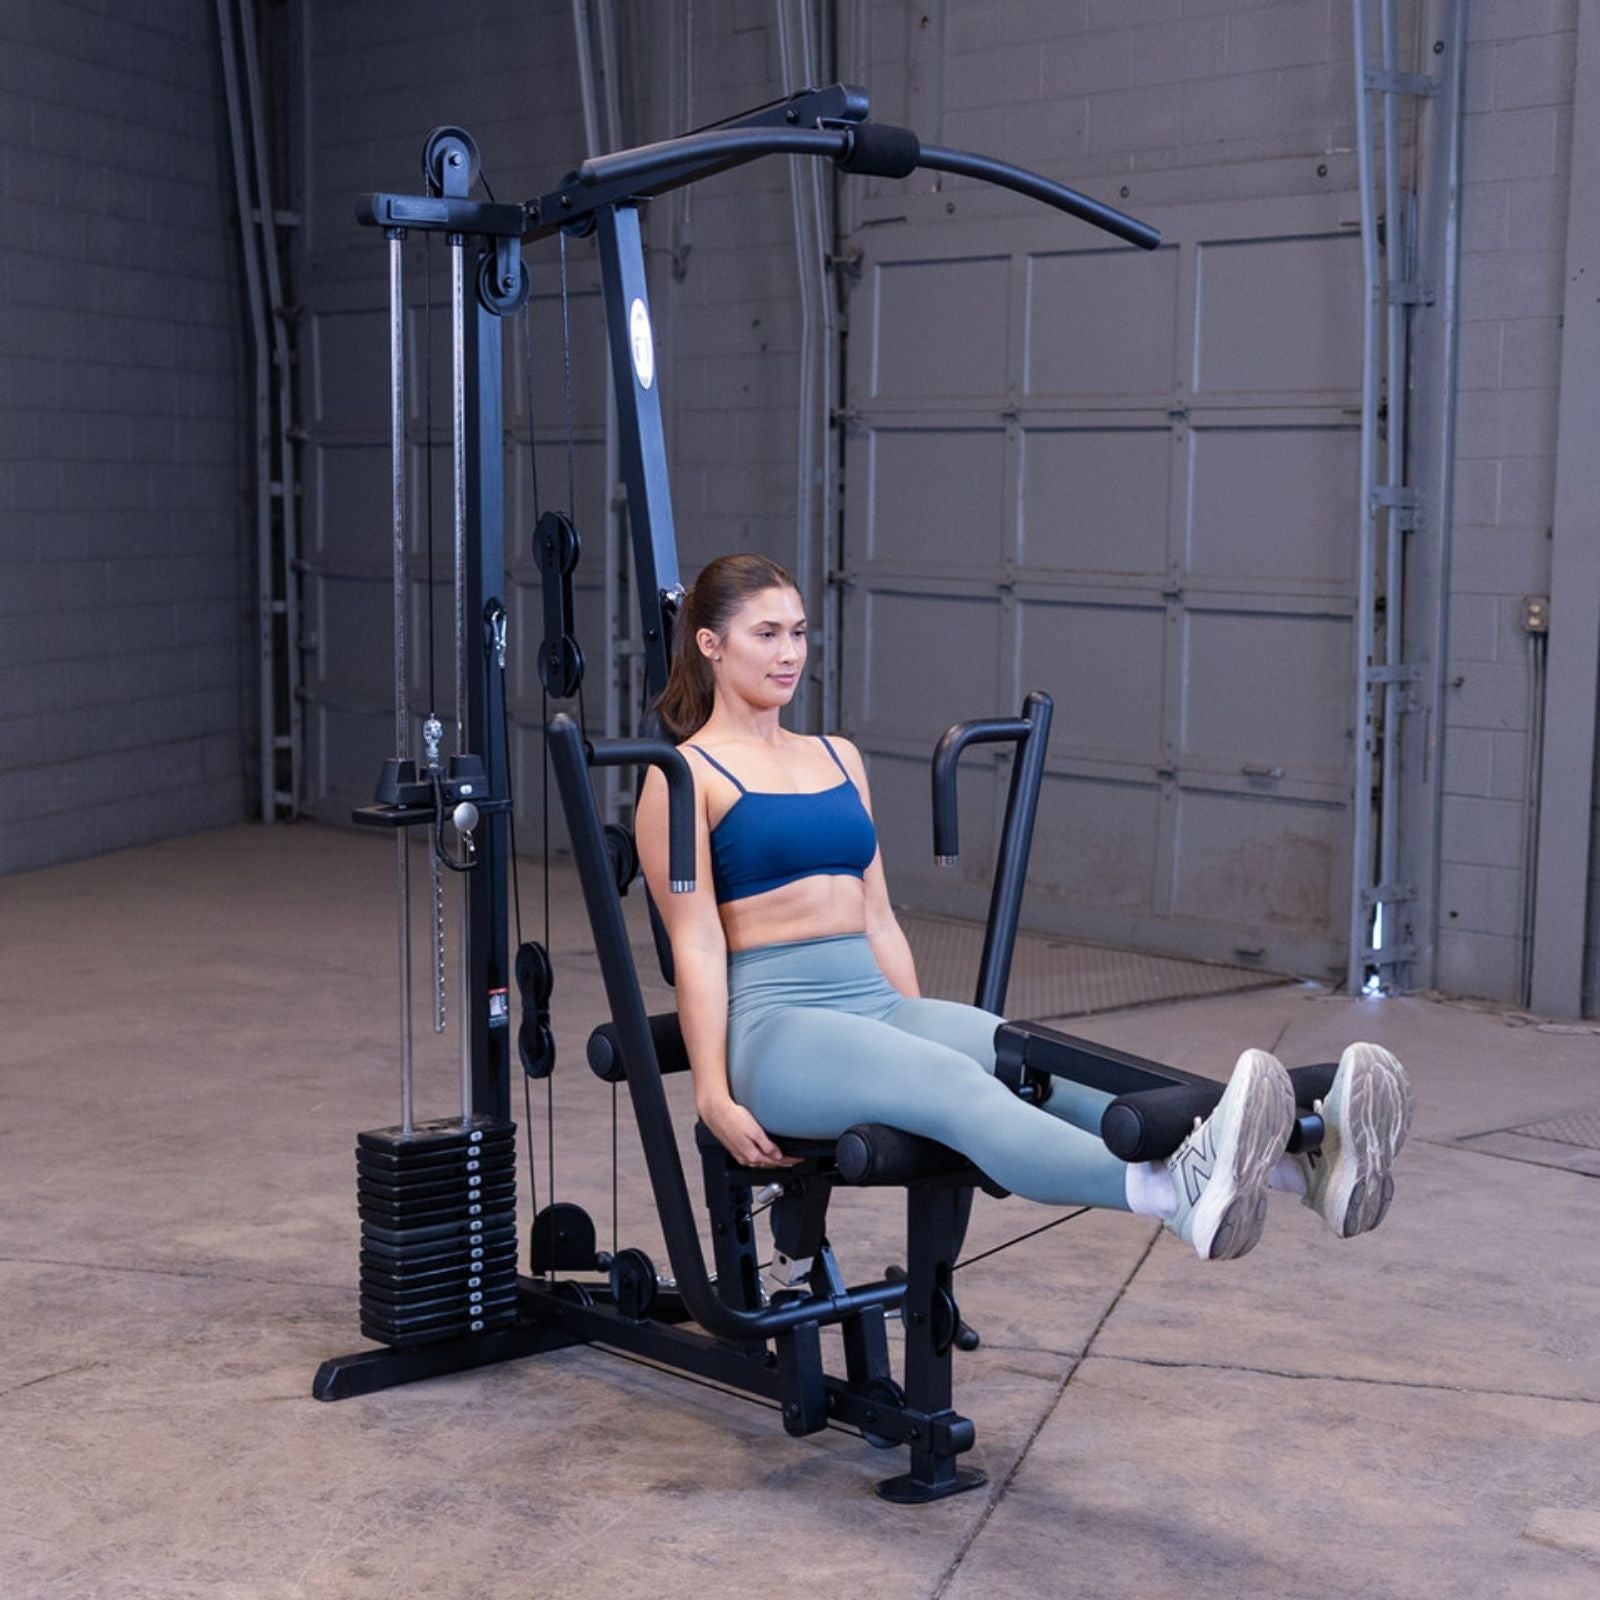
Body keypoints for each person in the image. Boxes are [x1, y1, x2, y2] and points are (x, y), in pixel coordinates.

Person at [635, 554, 1413, 1261]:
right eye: (767, 634)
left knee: (1032, 1060)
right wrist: (712, 1095)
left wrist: (911, 1030)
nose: (790, 653)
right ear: (710, 645)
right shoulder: (683, 778)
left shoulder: (837, 756)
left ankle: (1300, 1166)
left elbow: (877, 919)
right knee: (954, 1084)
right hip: (777, 1031)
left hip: (873, 1004)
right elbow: (696, 946)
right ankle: (1169, 1194)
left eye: (799, 632)